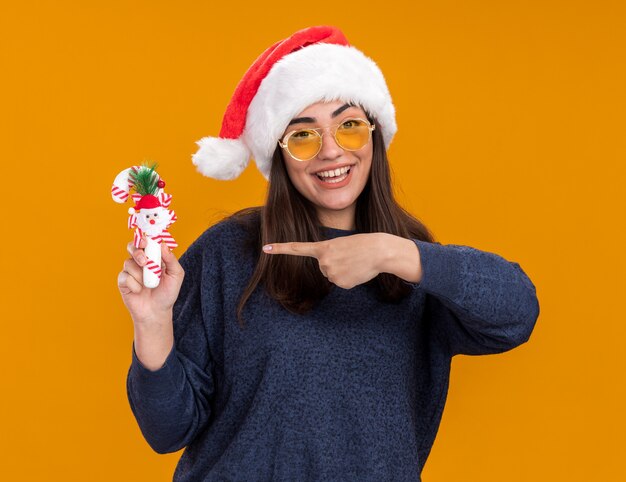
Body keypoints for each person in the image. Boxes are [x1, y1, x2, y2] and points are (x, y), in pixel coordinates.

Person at [118, 25, 540, 481]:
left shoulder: (410, 261)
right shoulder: (229, 252)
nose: (331, 151)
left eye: (349, 126)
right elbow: (167, 432)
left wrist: (389, 252)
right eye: (303, 135)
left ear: (374, 134)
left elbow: (517, 313)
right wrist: (152, 321)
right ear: (280, 155)